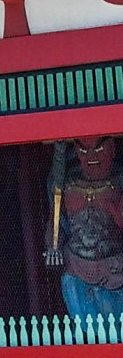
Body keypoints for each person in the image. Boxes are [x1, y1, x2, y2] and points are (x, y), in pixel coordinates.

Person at [45, 136, 123, 321]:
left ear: (112, 148)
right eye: (83, 150)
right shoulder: (66, 183)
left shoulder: (119, 181)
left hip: (115, 270)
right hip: (76, 267)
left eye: (99, 149)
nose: (90, 156)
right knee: (84, 333)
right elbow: (55, 220)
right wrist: (52, 246)